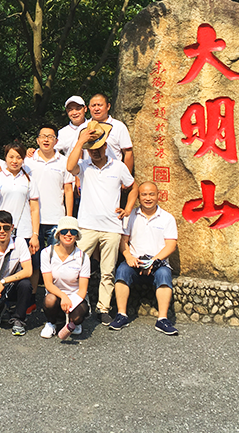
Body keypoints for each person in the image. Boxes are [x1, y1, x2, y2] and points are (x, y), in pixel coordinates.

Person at [66, 121, 137, 325]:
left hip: (112, 227)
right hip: (87, 225)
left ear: (106, 146)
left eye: (98, 148)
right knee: (75, 266)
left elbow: (133, 187)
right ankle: (74, 303)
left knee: (107, 271)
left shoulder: (118, 166)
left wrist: (128, 209)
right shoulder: (84, 166)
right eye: (91, 149)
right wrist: (81, 141)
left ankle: (103, 308)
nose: (95, 152)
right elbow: (69, 166)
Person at [110, 182, 179, 335]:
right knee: (122, 271)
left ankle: (162, 319)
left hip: (157, 262)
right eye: (144, 194)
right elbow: (123, 240)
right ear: (138, 197)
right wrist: (128, 256)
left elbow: (171, 245)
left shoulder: (167, 218)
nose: (148, 198)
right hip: (134, 260)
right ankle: (121, 315)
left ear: (158, 195)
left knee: (164, 274)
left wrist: (153, 262)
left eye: (151, 194)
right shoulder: (130, 216)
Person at [24, 124, 74, 293]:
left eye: (50, 137)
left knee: (56, 261)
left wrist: (68, 218)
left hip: (56, 218)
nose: (46, 140)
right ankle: (32, 297)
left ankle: (54, 296)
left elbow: (68, 190)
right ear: (37, 140)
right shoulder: (28, 161)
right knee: (34, 261)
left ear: (56, 141)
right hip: (33, 220)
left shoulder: (64, 161)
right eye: (43, 136)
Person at [0, 142, 40, 268]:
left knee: (24, 268)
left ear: (23, 159)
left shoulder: (29, 180)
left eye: (19, 157)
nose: (14, 161)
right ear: (5, 158)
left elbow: (34, 209)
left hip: (24, 231)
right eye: (11, 157)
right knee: (0, 267)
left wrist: (35, 234)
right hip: (2, 231)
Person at [39, 216, 91, 339]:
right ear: (58, 234)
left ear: (77, 236)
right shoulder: (47, 253)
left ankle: (74, 322)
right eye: (64, 231)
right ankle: (51, 323)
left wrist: (71, 301)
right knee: (49, 300)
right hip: (56, 295)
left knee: (77, 317)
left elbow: (83, 290)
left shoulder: (83, 257)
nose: (68, 234)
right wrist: (63, 296)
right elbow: (48, 284)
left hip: (76, 297)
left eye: (72, 231)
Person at [86, 93, 134, 173]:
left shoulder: (118, 126)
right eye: (93, 105)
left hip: (113, 173)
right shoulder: (83, 127)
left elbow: (128, 153)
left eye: (100, 105)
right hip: (89, 174)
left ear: (108, 106)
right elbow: (79, 154)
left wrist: (125, 176)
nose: (96, 108)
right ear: (89, 107)